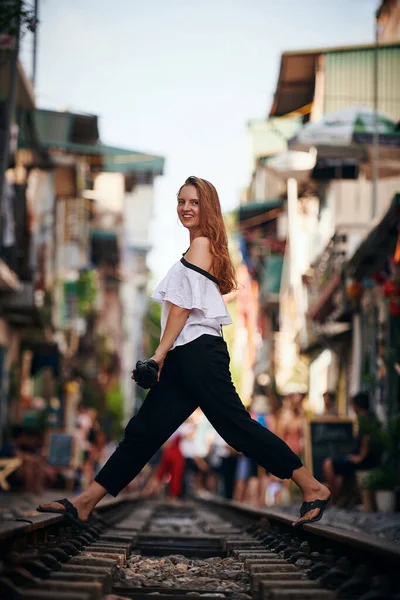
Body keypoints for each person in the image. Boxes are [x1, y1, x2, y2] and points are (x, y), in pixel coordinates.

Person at [38, 175, 330, 527]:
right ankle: (84, 503)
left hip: (198, 355)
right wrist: (164, 357)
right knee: (143, 432)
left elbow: (180, 310)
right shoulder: (201, 248)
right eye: (181, 201)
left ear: (207, 207)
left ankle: (312, 487)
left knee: (236, 428)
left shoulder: (202, 245)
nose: (186, 208)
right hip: (185, 356)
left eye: (194, 202)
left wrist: (157, 357)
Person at [323, 392, 382, 505]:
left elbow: (367, 439)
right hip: (368, 459)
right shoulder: (371, 418)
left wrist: (359, 457)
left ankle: (334, 498)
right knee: (338, 470)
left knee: (328, 464)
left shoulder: (365, 420)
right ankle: (341, 498)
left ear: (357, 405)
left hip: (365, 461)